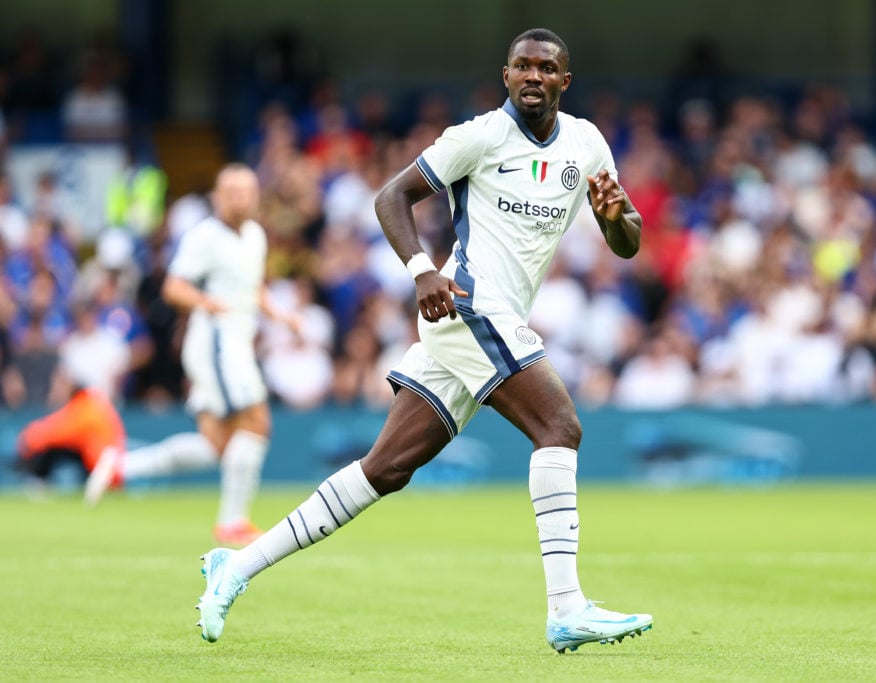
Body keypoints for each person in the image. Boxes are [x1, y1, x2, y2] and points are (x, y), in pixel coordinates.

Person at [193, 28, 654, 653]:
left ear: (564, 81)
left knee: (385, 469)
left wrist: (614, 218)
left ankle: (236, 566)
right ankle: (567, 607)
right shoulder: (480, 136)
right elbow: (392, 197)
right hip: (467, 305)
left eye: (546, 69)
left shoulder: (587, 144)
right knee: (560, 427)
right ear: (507, 74)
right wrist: (421, 270)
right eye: (522, 67)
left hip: (488, 319)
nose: (533, 77)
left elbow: (627, 240)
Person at [85, 163, 298, 546]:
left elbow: (253, 288)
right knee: (257, 421)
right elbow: (173, 288)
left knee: (216, 445)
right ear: (218, 196)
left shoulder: (254, 235)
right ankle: (233, 521)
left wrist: (281, 316)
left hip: (234, 344)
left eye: (247, 191)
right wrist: (208, 303)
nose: (241, 198)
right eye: (232, 191)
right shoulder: (204, 237)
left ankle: (120, 467)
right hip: (216, 343)